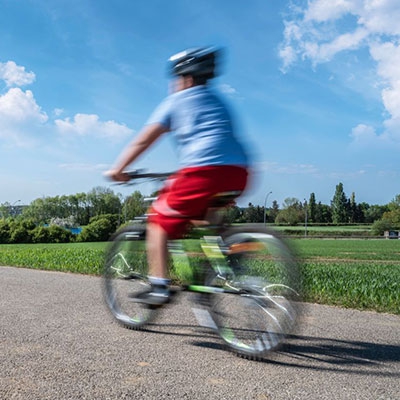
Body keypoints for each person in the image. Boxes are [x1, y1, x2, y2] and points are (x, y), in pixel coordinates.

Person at [106, 47, 250, 305]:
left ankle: (159, 287)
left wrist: (119, 169)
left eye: (175, 78)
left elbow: (143, 141)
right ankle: (225, 261)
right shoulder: (218, 100)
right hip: (239, 172)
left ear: (186, 78)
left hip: (203, 171)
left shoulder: (176, 101)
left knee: (157, 220)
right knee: (205, 218)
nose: (173, 84)